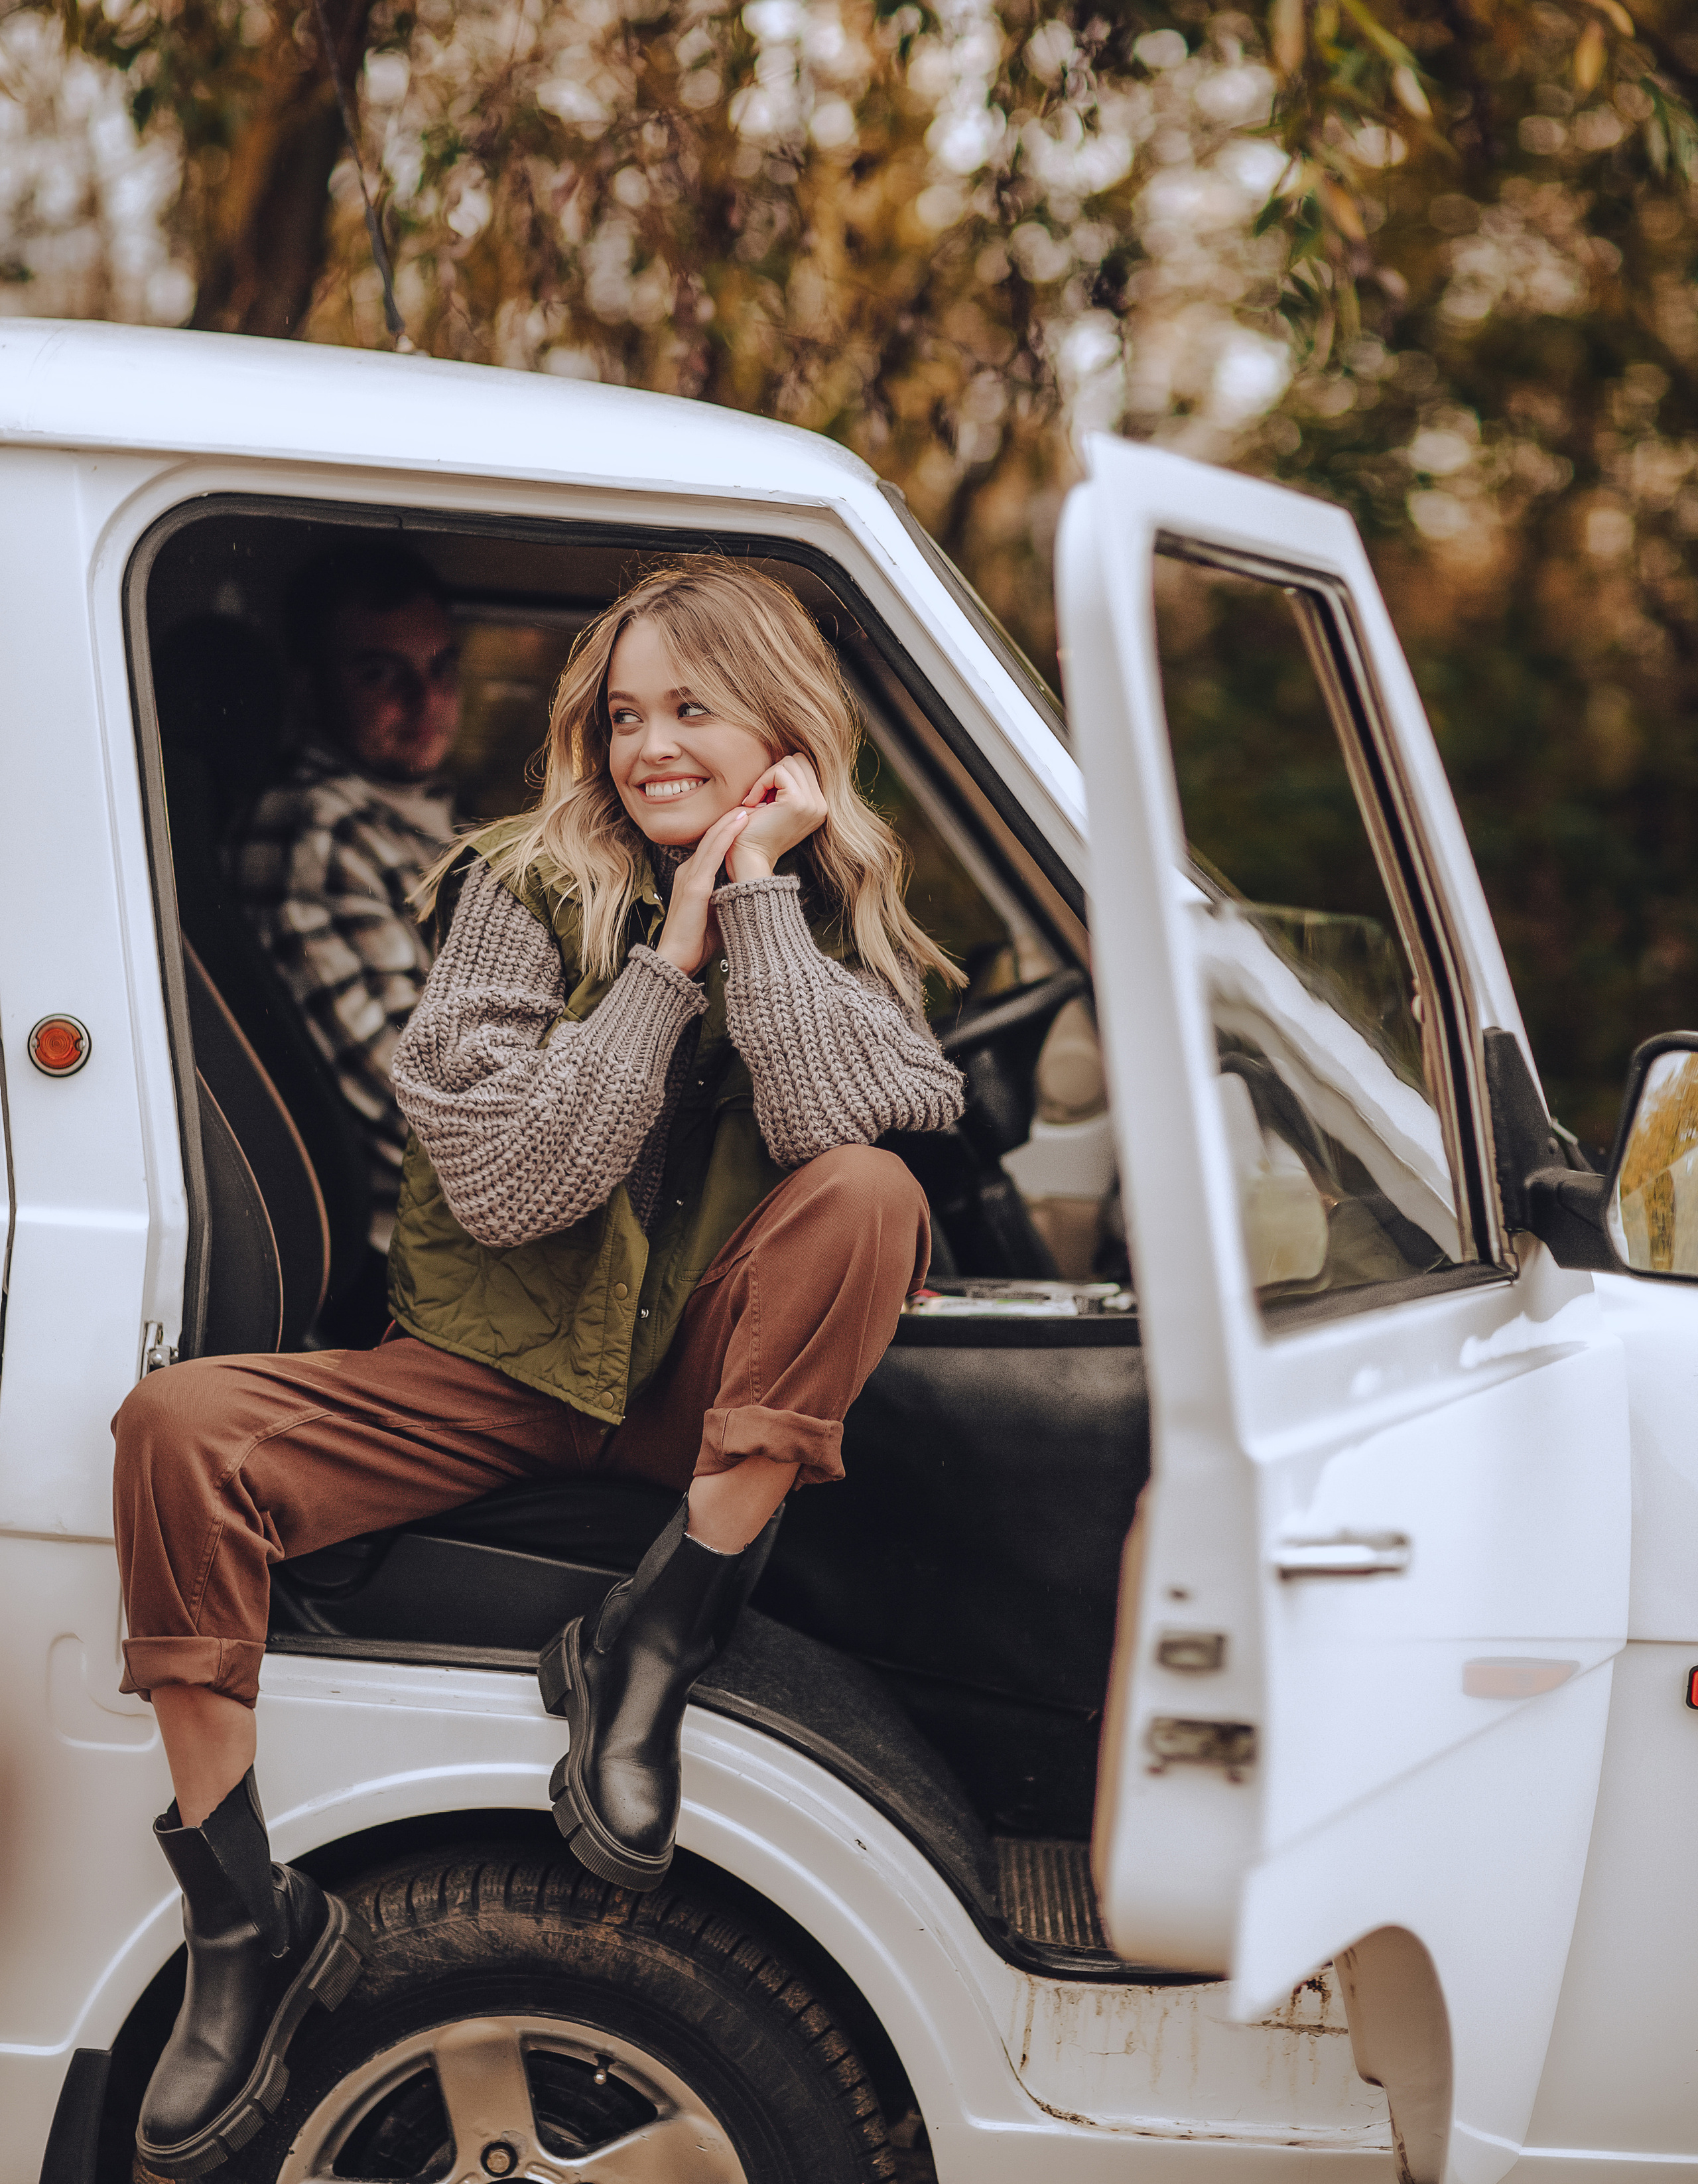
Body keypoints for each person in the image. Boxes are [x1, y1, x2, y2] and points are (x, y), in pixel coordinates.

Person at [110, 558, 966, 2179]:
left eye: (693, 710)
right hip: (487, 1372)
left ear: (780, 729)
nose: (651, 745)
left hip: (692, 1401)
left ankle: (654, 1634)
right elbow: (520, 1186)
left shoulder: (849, 908)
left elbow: (843, 1130)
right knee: (178, 1429)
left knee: (872, 1198)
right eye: (624, 712)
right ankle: (241, 1912)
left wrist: (761, 897)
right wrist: (665, 960)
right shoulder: (510, 886)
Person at [237, 543, 463, 1343]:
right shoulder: (320, 830)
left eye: (441, 667)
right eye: (379, 674)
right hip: (419, 1273)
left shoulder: (407, 818)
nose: (424, 698)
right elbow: (426, 1104)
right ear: (309, 685)